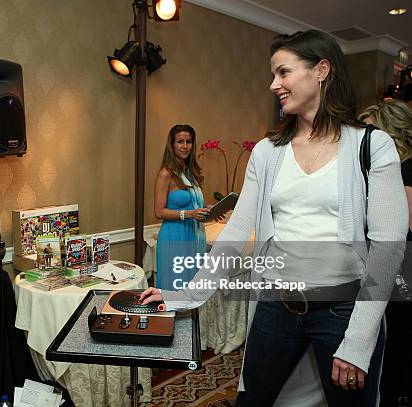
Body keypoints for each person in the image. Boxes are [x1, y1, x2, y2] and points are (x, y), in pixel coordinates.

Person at [140, 30, 408, 406]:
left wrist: (359, 340)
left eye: (283, 73)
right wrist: (184, 296)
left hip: (343, 311)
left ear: (322, 70)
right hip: (276, 306)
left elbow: (388, 248)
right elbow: (236, 229)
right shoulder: (268, 152)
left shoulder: (371, 145)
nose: (273, 85)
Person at [359, 99, 412, 406]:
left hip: (400, 271)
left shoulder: (404, 170)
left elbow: (400, 227)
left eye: (370, 131)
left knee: (393, 341)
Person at [154, 124, 210, 291]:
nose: (185, 146)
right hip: (174, 237)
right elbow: (159, 211)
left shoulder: (191, 172)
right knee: (175, 290)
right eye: (180, 141)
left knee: (192, 290)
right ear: (172, 145)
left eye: (189, 141)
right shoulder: (166, 173)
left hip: (194, 235)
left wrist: (208, 210)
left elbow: (193, 205)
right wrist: (191, 213)